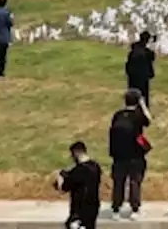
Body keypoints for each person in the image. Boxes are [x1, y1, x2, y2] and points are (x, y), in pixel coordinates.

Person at [107, 88, 151, 220]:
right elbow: (149, 120)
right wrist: (143, 104)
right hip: (135, 154)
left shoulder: (117, 115)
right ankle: (135, 209)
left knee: (118, 182)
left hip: (119, 155)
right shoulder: (138, 115)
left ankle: (116, 209)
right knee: (134, 182)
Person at [56, 140, 102, 229]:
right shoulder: (96, 167)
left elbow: (64, 188)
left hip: (80, 209)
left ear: (76, 153)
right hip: (93, 207)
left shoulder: (79, 171)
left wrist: (61, 179)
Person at [125, 32, 156, 106]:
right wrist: (153, 44)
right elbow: (152, 56)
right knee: (143, 98)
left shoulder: (133, 51)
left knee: (132, 96)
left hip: (132, 77)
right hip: (142, 78)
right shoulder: (146, 52)